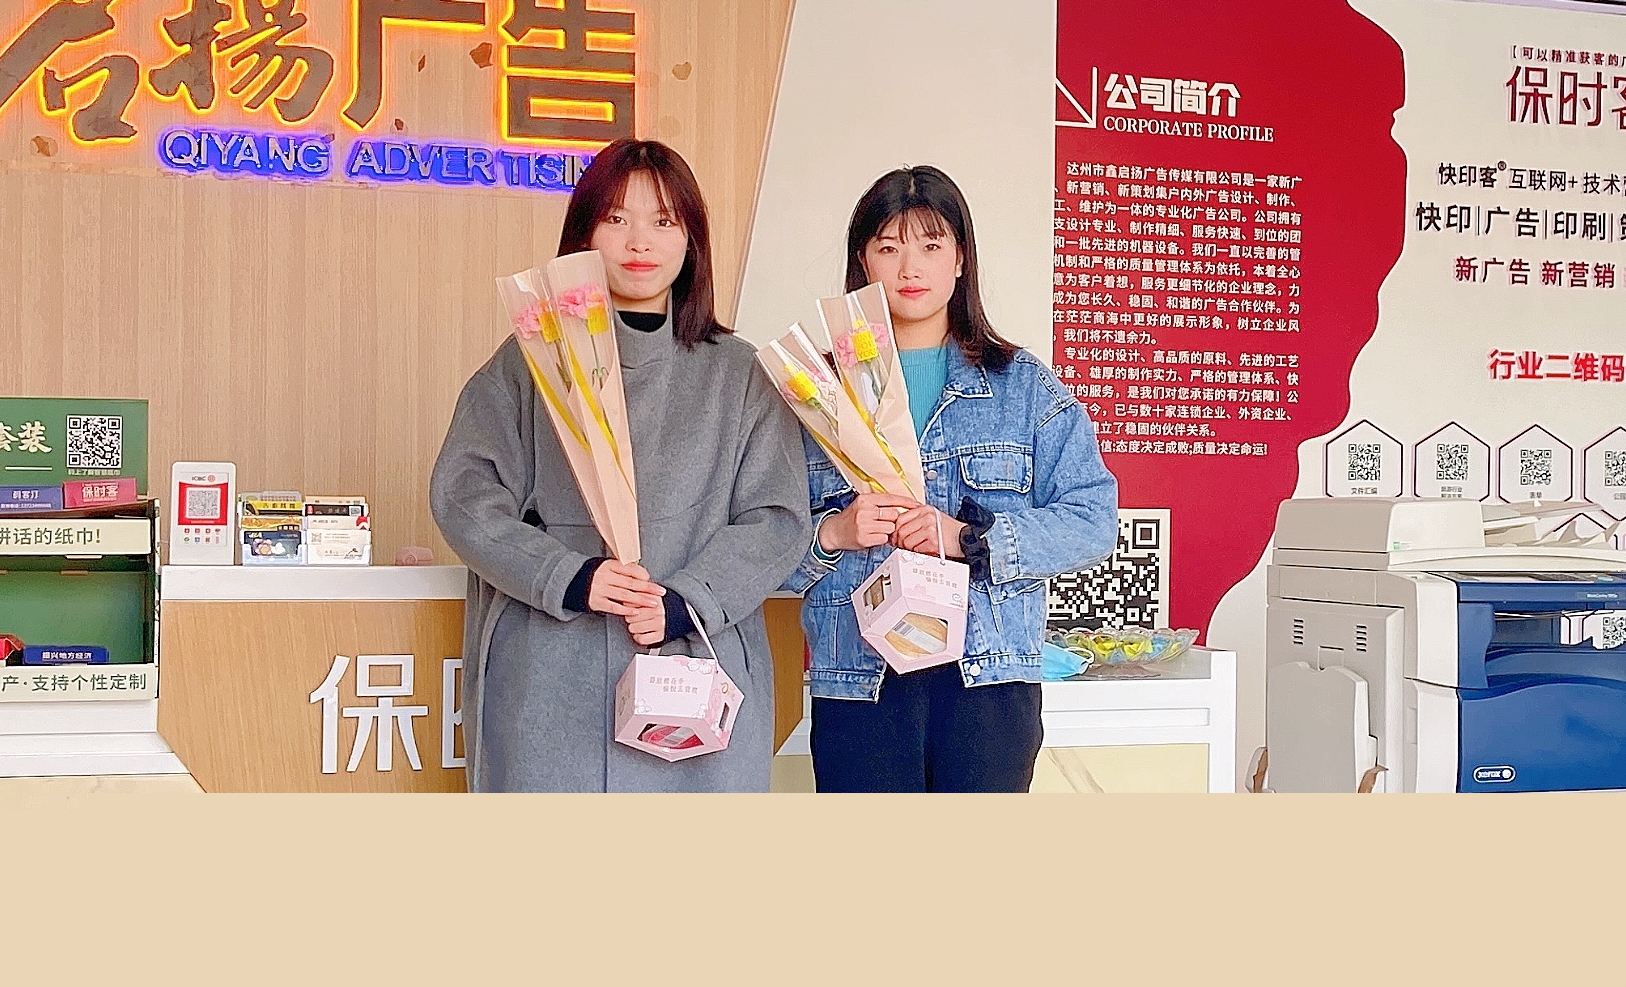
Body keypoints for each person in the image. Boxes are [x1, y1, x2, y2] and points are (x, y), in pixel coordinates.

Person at [431, 139, 811, 792]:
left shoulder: (740, 373)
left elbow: (777, 519)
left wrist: (687, 601)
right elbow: (464, 493)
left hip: (693, 677)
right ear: (584, 234)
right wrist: (569, 576)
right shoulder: (529, 363)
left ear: (691, 239)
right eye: (616, 218)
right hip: (553, 683)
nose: (640, 241)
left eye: (663, 221)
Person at [787, 166, 1118, 792]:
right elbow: (762, 543)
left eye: (931, 245)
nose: (910, 268)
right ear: (863, 263)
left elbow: (1093, 521)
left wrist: (969, 539)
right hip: (859, 681)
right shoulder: (815, 393)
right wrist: (833, 533)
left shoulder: (1023, 387)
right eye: (889, 247)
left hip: (986, 685)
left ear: (960, 259)